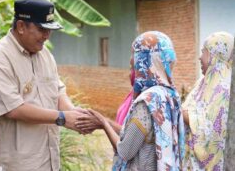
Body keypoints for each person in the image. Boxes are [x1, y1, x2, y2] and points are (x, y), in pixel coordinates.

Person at [0, 0, 87, 171]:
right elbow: (13, 109)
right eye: (41, 29)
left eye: (49, 30)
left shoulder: (44, 54)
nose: (46, 36)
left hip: (48, 160)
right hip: (16, 164)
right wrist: (62, 117)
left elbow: (58, 90)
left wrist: (73, 113)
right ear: (21, 27)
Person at [76, 31, 185, 170]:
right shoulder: (171, 96)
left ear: (146, 59)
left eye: (135, 54)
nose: (131, 60)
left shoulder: (147, 102)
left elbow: (125, 152)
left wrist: (103, 123)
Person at [182, 31, 234, 170]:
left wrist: (182, 113)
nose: (200, 57)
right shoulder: (203, 82)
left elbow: (210, 132)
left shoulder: (225, 90)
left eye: (204, 52)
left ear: (215, 55)